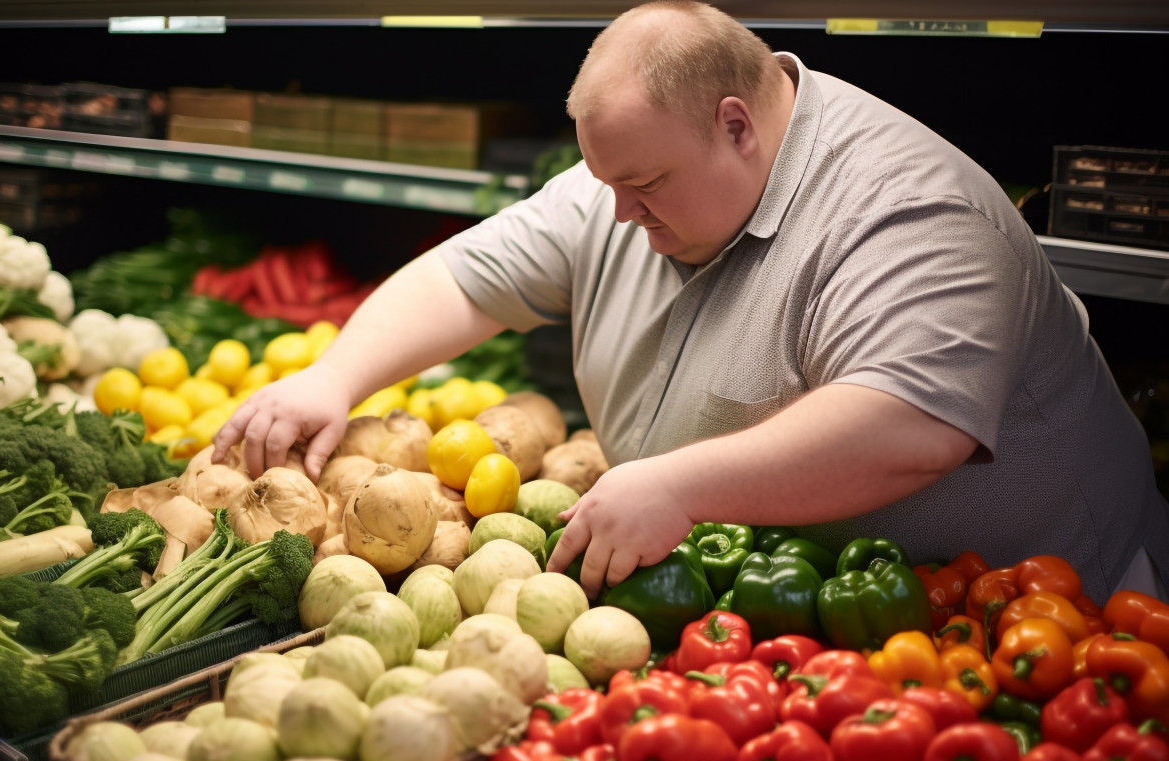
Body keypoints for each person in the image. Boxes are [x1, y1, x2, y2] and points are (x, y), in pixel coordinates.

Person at [214, 0, 1169, 606]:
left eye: (647, 186)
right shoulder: (634, 177)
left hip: (1051, 610)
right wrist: (333, 375)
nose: (619, 215)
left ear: (737, 126)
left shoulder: (909, 207)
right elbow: (466, 277)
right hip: (801, 612)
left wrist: (682, 484)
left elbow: (912, 425)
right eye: (608, 184)